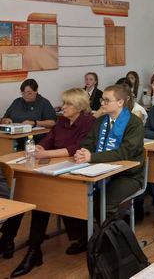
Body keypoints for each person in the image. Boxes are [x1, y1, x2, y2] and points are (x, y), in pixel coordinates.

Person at [1, 89, 95, 276]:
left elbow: (76, 148)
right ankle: (16, 242)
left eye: (68, 104)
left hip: (74, 171)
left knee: (40, 197)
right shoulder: (62, 121)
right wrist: (39, 147)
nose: (63, 107)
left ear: (79, 107)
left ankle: (31, 249)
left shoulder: (89, 122)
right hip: (53, 168)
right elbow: (49, 139)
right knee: (25, 192)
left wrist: (46, 153)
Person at [72, 85, 145, 245]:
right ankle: (87, 238)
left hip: (128, 175)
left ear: (120, 102)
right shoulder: (100, 121)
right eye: (102, 99)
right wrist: (83, 152)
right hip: (100, 170)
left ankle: (113, 243)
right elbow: (88, 142)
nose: (102, 103)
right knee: (73, 196)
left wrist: (92, 157)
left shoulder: (134, 123)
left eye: (106, 100)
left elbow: (124, 153)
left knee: (104, 202)